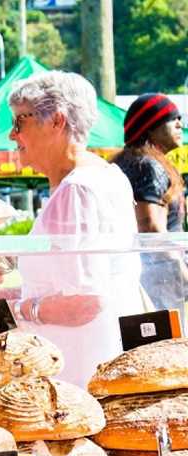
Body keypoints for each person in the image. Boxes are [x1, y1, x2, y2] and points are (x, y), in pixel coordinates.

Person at [0, 71, 143, 386]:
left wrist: (15, 309)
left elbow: (86, 302)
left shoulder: (77, 190)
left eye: (19, 123)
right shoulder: (106, 176)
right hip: (98, 361)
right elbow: (78, 281)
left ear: (56, 121)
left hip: (79, 370)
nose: (11, 135)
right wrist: (9, 291)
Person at [111, 94, 186, 312]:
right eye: (173, 119)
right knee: (166, 344)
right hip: (158, 280)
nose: (180, 124)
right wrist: (182, 272)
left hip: (138, 277)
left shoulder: (127, 161)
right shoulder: (148, 165)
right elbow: (150, 229)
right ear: (150, 127)